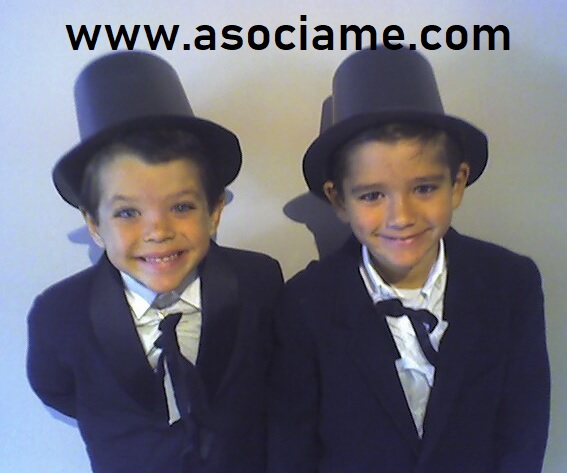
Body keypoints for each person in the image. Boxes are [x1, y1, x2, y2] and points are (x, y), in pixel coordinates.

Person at [268, 46, 550, 473]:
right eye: (372, 195)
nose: (401, 217)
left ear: (457, 183)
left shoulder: (510, 282)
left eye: (424, 188)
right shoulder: (306, 302)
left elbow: (523, 428)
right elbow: (293, 445)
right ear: (339, 200)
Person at [27, 51, 283, 473]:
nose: (158, 231)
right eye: (127, 212)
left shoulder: (259, 281)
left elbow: (278, 381)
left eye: (181, 207)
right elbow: (57, 390)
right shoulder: (59, 315)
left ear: (214, 211)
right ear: (94, 224)